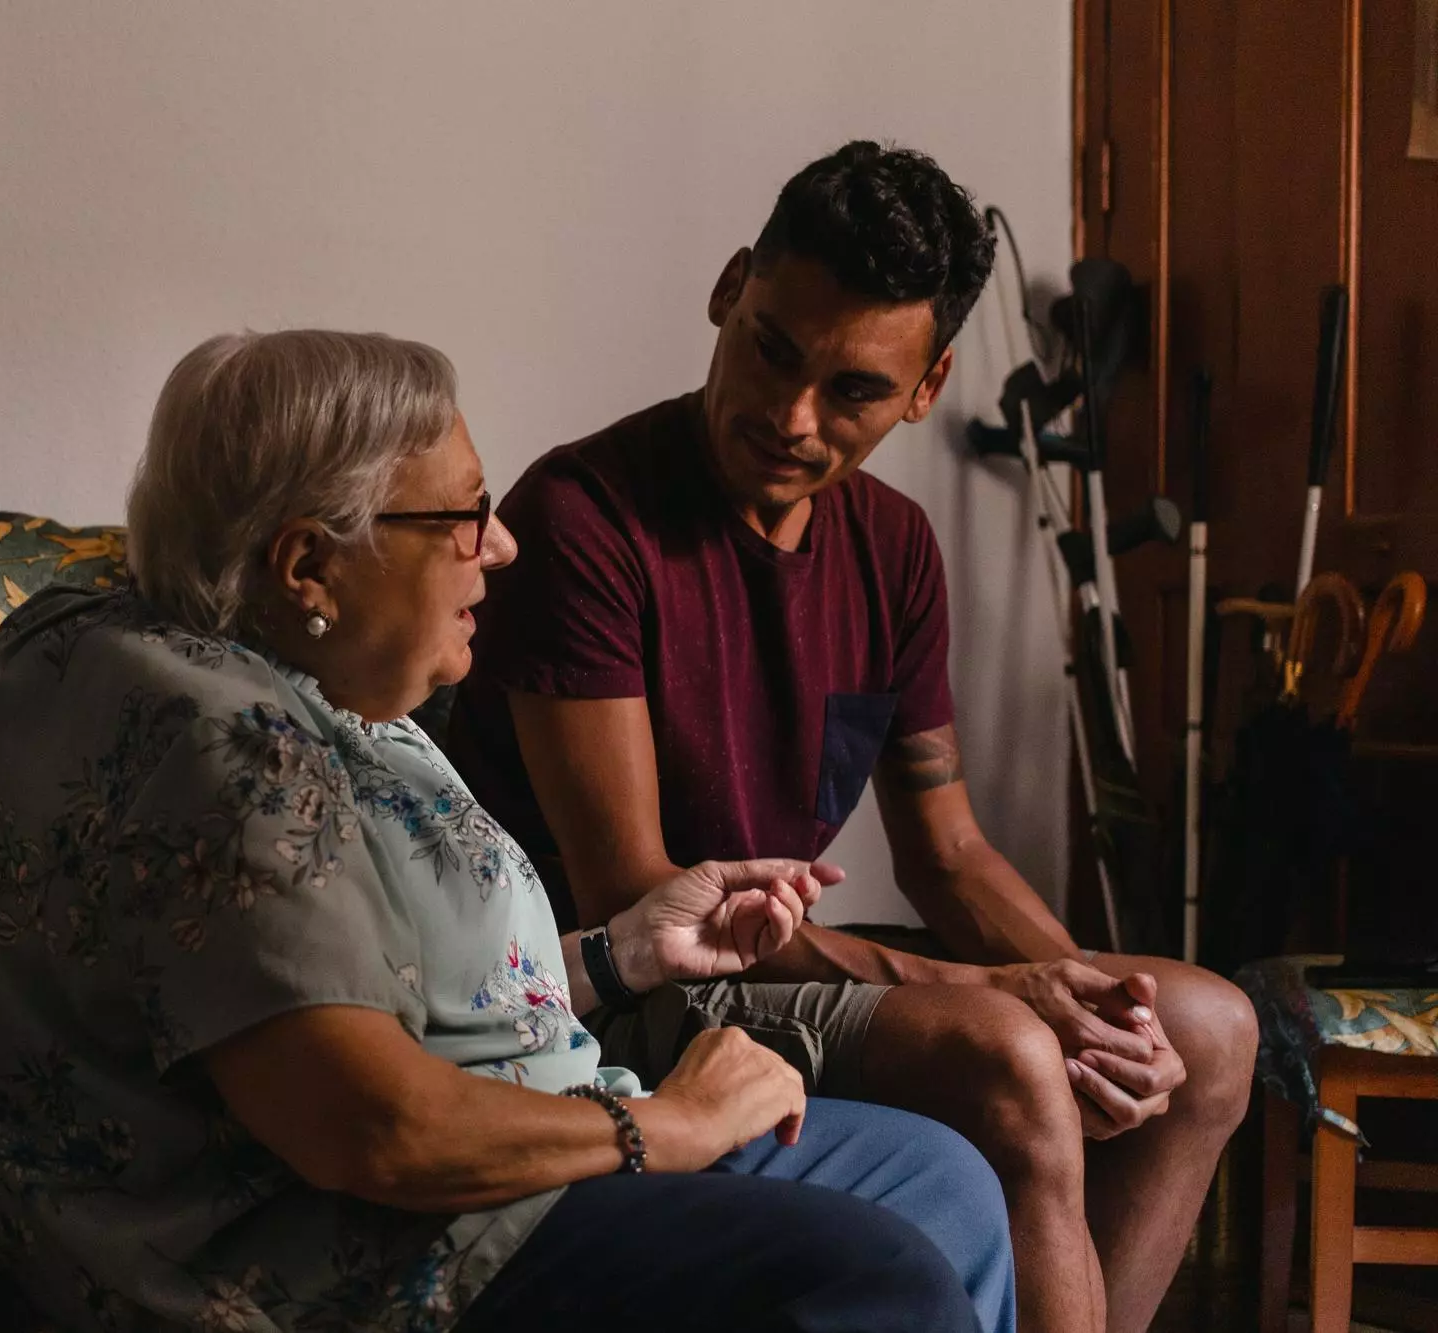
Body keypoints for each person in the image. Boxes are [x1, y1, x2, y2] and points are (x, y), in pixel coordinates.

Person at [0, 328, 1016, 1333]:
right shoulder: (231, 750)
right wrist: (669, 1125)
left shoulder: (242, 666)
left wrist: (623, 953)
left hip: (500, 1142)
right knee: (873, 1275)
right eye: (463, 516)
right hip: (366, 1253)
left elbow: (338, 980)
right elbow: (372, 1127)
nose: (501, 546)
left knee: (943, 1181)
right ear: (308, 564)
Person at [449, 141, 1259, 1333]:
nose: (791, 417)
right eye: (772, 350)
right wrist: (1001, 993)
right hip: (617, 981)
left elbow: (948, 853)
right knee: (1006, 1048)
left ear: (925, 388)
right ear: (729, 288)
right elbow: (637, 892)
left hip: (772, 958)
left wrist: (1097, 1005)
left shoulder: (894, 548)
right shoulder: (583, 521)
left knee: (1208, 1031)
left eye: (852, 391)